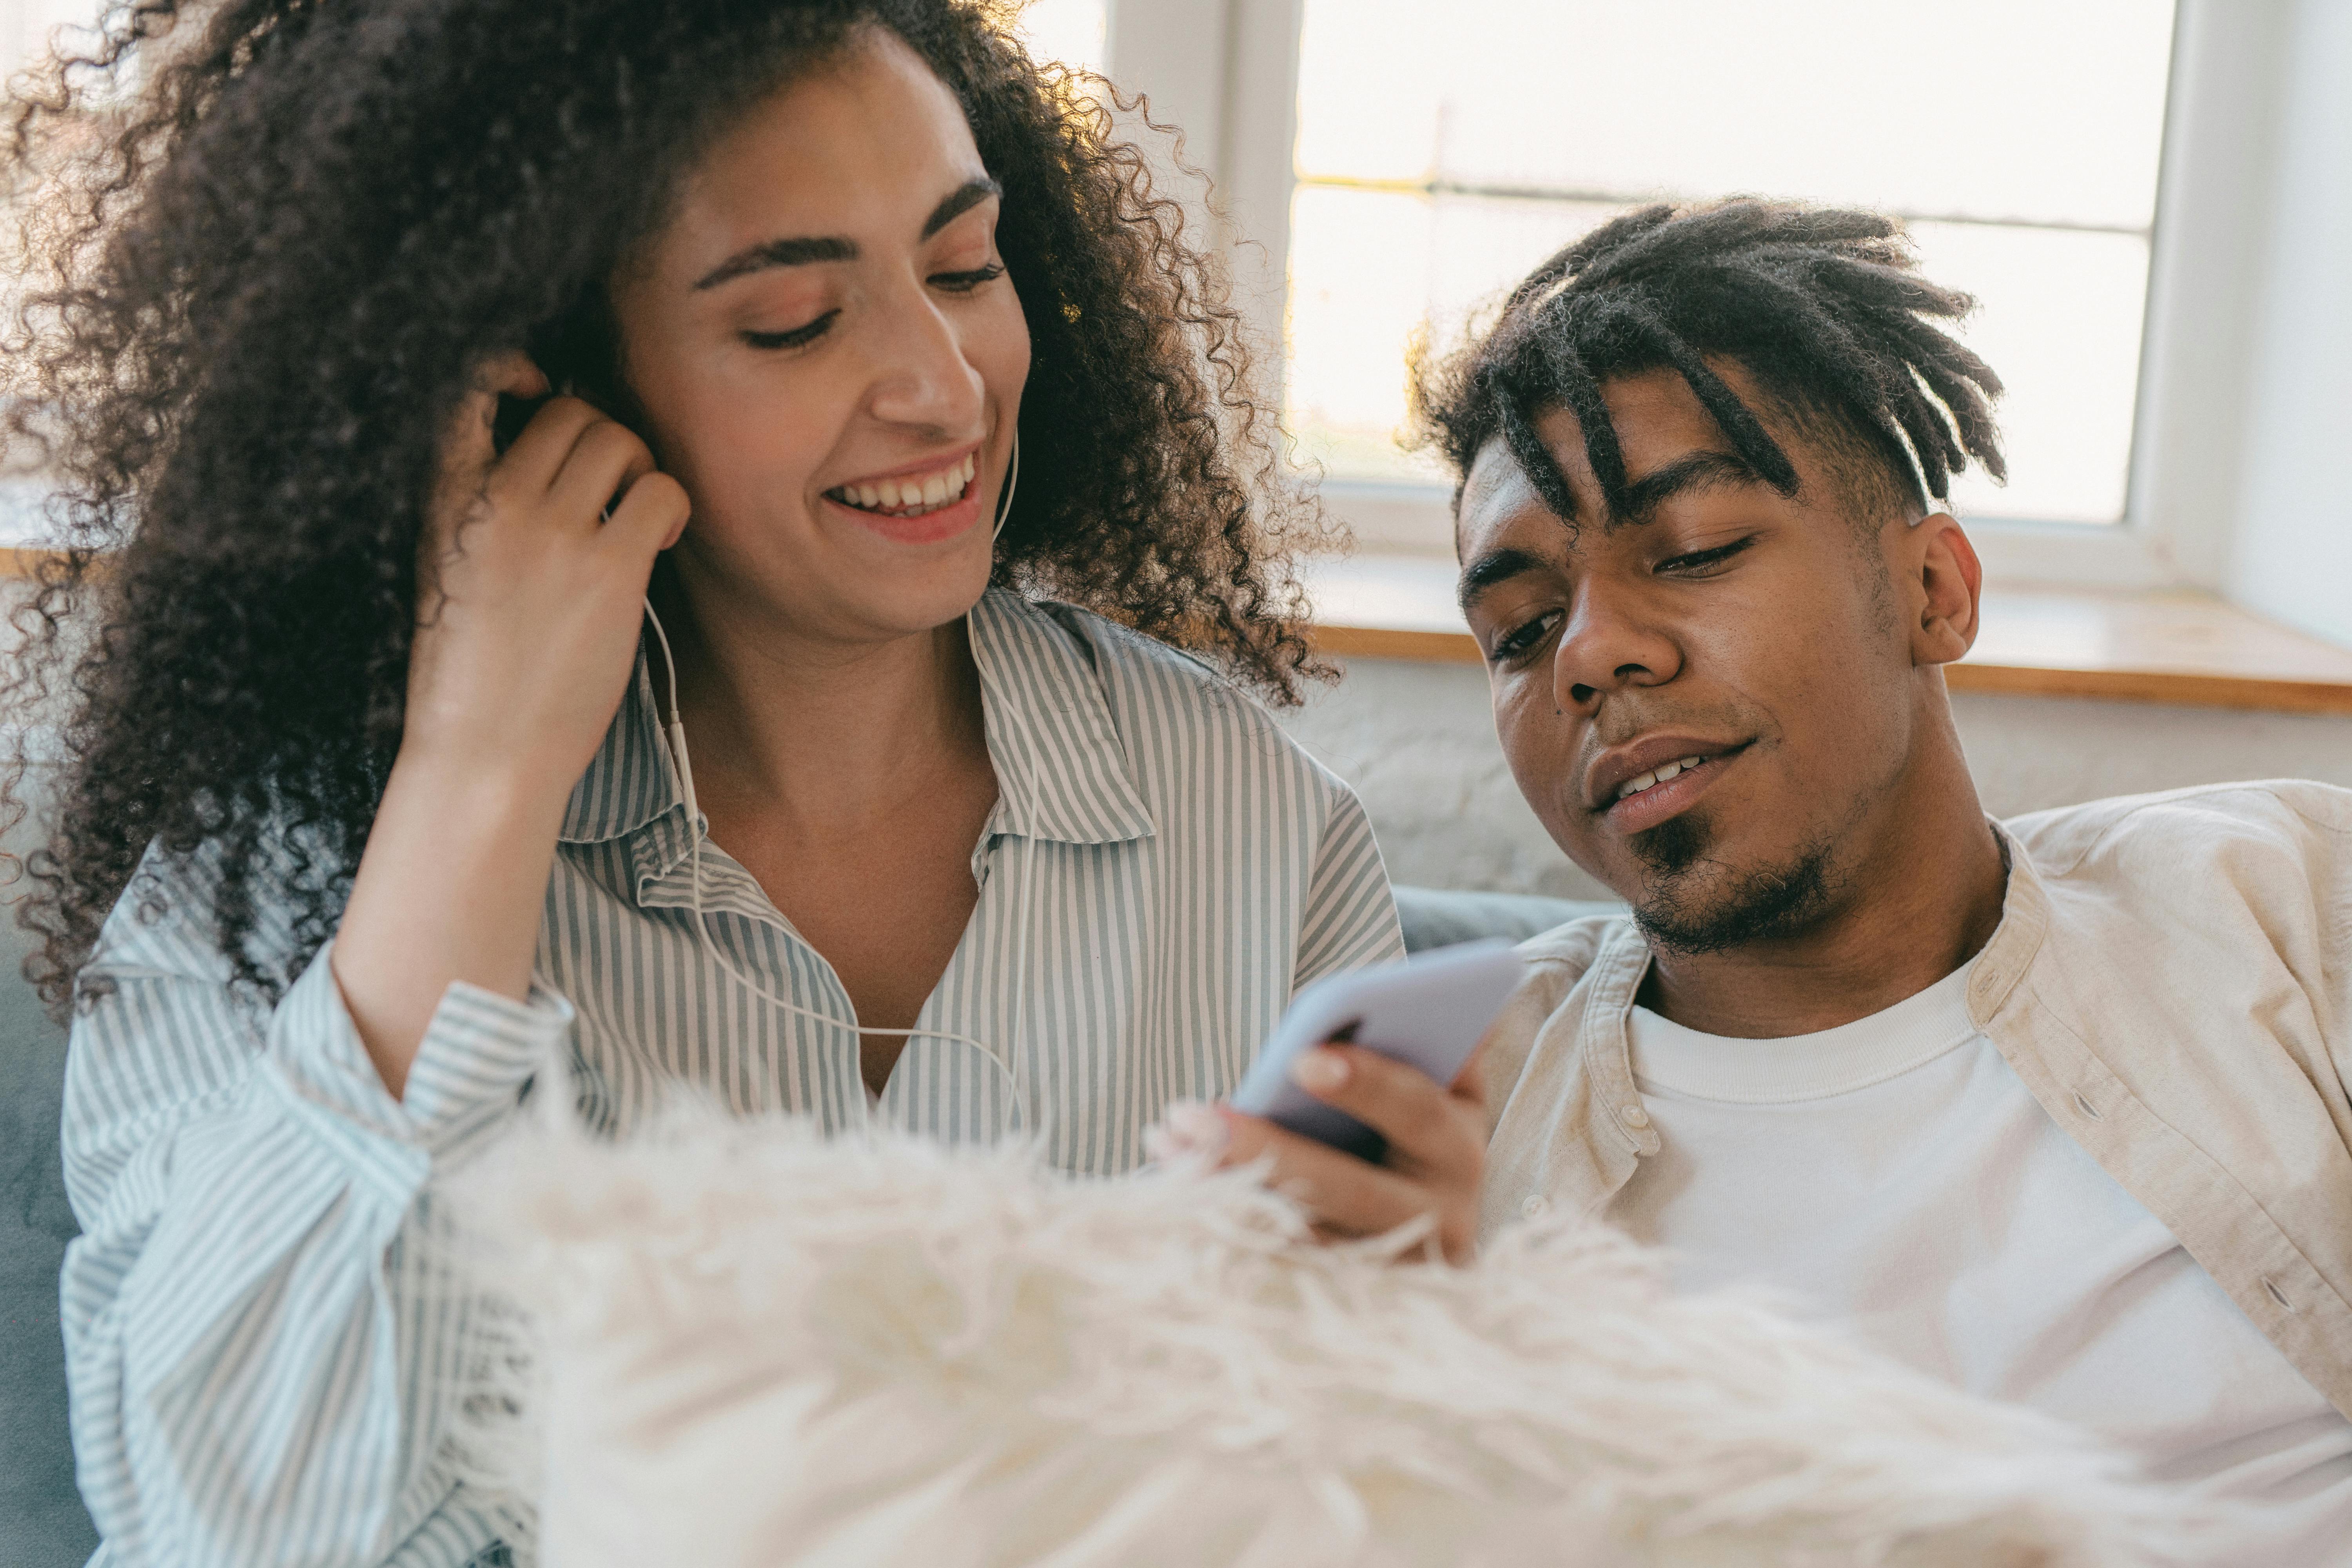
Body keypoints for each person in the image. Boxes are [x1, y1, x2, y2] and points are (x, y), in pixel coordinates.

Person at [0, 4, 1479, 1562]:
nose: (944, 384)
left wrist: (1418, 1303)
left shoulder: (1252, 821)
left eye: (966, 268)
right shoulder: (276, 871)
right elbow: (238, 1524)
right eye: (793, 321)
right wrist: (476, 781)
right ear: (539, 391)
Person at [1418, 200, 2352, 1562]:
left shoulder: (2286, 905)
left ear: (1933, 591)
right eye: (1520, 628)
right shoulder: (1457, 1113)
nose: (1590, 655)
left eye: (1690, 554)